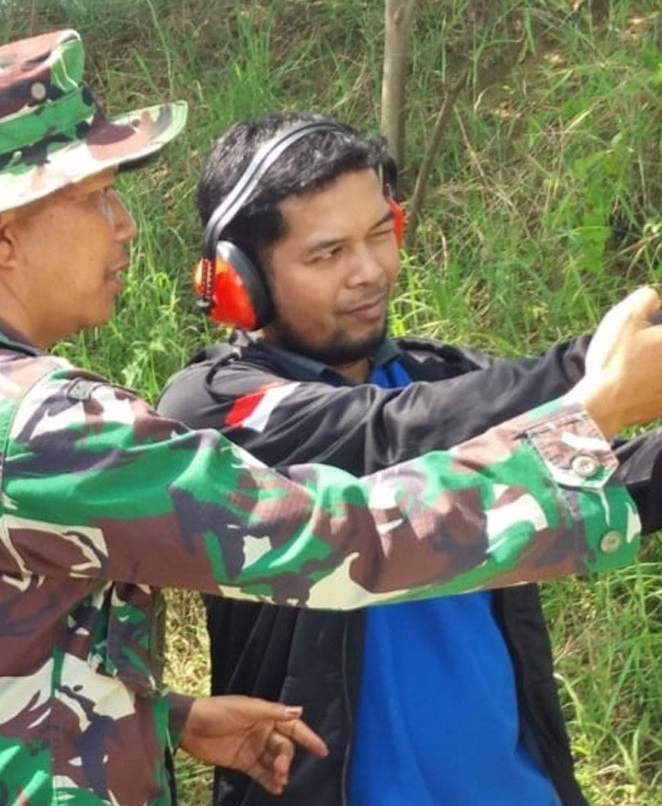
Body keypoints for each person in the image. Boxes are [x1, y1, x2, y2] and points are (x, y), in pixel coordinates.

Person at [0, 34, 661, 806]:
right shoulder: (39, 427)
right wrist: (587, 410)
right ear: (2, 233)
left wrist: (163, 717)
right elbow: (335, 536)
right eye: (95, 197)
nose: (124, 222)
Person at [156, 112, 662, 806]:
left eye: (379, 233)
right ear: (243, 278)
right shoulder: (216, 409)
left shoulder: (444, 378)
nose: (369, 271)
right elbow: (386, 436)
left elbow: (608, 475)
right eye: (327, 254)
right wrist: (591, 376)